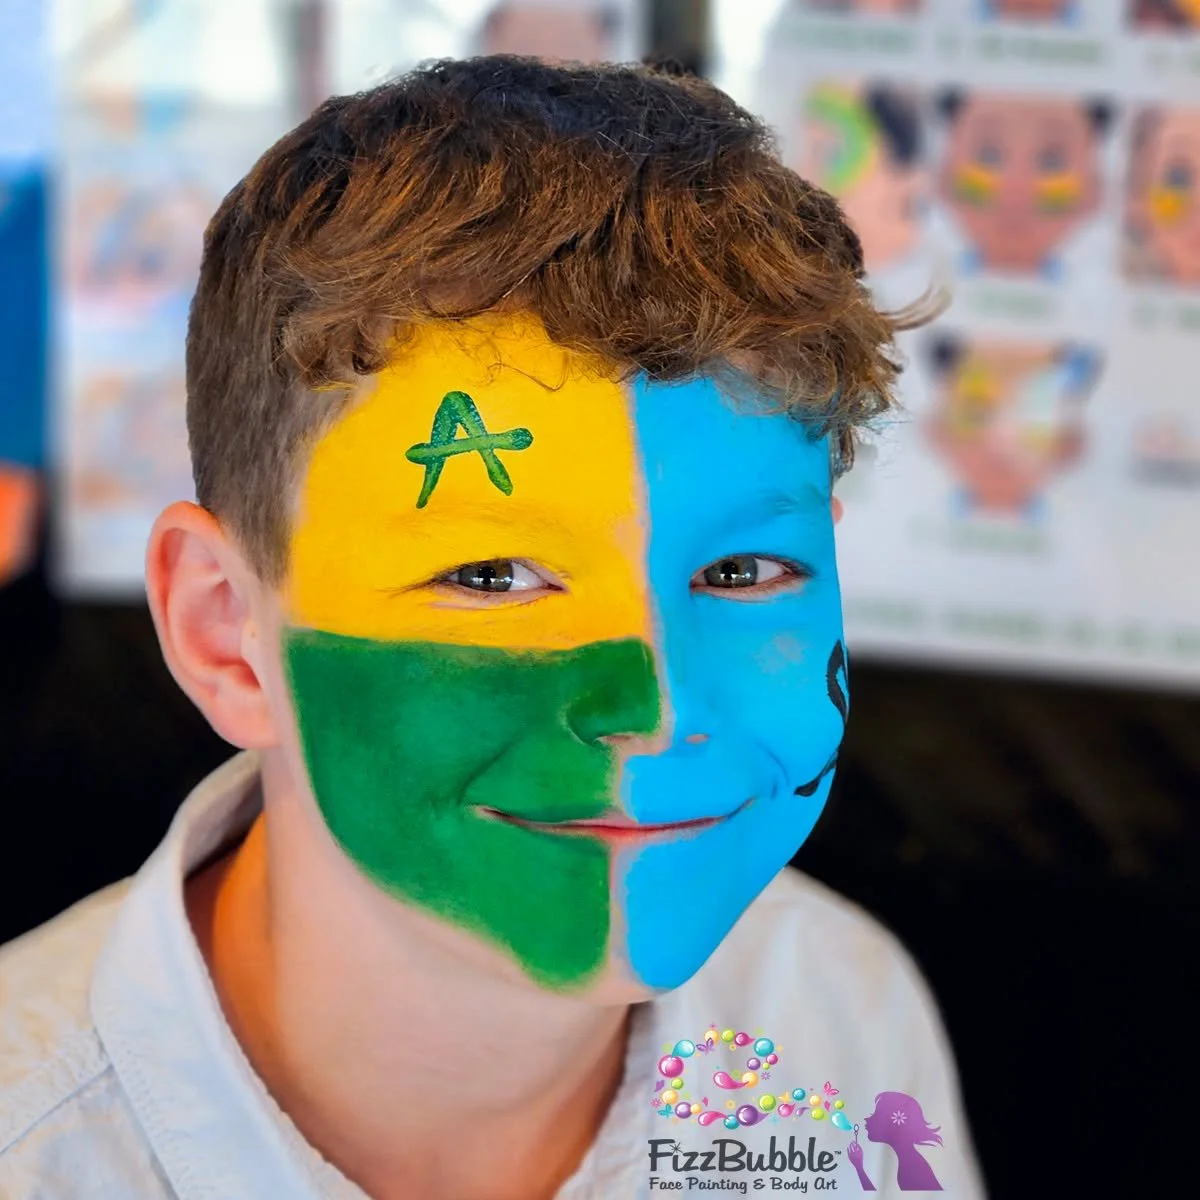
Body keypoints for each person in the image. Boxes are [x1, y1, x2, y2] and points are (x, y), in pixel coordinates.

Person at [0, 58, 985, 1199]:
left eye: (743, 569)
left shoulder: (834, 1015)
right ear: (226, 633)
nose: (655, 713)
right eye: (492, 573)